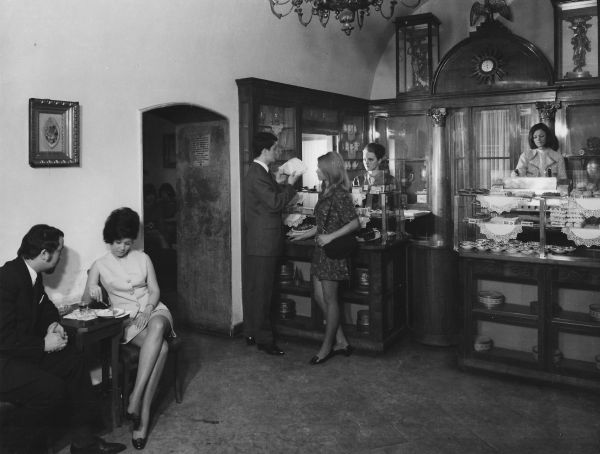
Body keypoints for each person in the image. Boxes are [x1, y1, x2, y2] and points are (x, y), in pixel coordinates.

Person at [0, 225, 126, 454]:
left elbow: (45, 306)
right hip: (4, 362)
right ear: (44, 254)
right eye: (59, 251)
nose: (61, 258)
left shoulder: (31, 275)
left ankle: (83, 443)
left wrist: (52, 323)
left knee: (75, 362)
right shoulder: (7, 278)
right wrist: (43, 344)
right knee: (52, 389)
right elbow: (4, 338)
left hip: (22, 353)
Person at [83, 208, 175, 450]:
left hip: (154, 310)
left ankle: (135, 396)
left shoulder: (143, 258)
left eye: (127, 243)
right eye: (117, 242)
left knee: (157, 324)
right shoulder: (99, 265)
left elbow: (154, 290)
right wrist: (92, 289)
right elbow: (84, 302)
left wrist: (148, 309)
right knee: (162, 349)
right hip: (128, 322)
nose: (122, 247)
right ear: (108, 239)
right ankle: (142, 418)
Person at [291, 152, 360, 365]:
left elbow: (355, 223)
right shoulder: (325, 190)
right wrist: (305, 233)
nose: (316, 170)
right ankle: (342, 341)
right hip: (321, 251)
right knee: (321, 297)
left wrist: (330, 236)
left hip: (332, 253)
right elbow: (323, 223)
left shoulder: (340, 194)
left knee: (330, 300)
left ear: (328, 170)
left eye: (319, 167)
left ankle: (326, 347)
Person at [243, 132, 300, 356]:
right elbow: (275, 204)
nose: (278, 151)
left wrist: (279, 183)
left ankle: (251, 332)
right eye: (275, 148)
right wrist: (290, 186)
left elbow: (267, 198)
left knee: (256, 290)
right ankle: (265, 340)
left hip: (261, 241)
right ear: (265, 150)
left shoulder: (261, 172)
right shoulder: (257, 173)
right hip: (263, 242)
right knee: (263, 292)